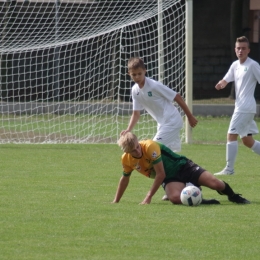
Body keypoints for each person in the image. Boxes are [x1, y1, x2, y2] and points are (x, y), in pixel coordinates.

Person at [121, 57, 198, 200]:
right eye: (134, 74)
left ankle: (188, 182)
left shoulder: (154, 85)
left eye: (139, 73)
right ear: (129, 74)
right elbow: (136, 113)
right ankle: (182, 184)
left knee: (152, 151)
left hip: (172, 121)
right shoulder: (135, 90)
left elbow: (177, 96)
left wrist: (190, 116)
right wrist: (128, 129)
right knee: (172, 157)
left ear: (145, 71)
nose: (137, 77)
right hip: (162, 124)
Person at [112, 132, 250, 205]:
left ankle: (233, 197)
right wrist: (116, 201)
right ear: (127, 152)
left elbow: (160, 174)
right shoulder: (126, 159)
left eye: (137, 146)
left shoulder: (149, 146)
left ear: (138, 141)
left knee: (217, 184)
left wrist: (148, 197)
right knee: (175, 199)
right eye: (133, 151)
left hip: (184, 167)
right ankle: (200, 199)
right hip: (170, 178)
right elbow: (124, 178)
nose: (137, 151)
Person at [214, 36, 260, 175]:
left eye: (243, 48)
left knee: (231, 135)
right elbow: (227, 78)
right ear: (235, 50)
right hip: (241, 107)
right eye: (238, 48)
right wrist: (222, 83)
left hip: (245, 107)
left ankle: (229, 169)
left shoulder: (253, 65)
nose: (241, 51)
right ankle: (229, 169)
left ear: (248, 50)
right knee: (247, 140)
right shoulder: (235, 65)